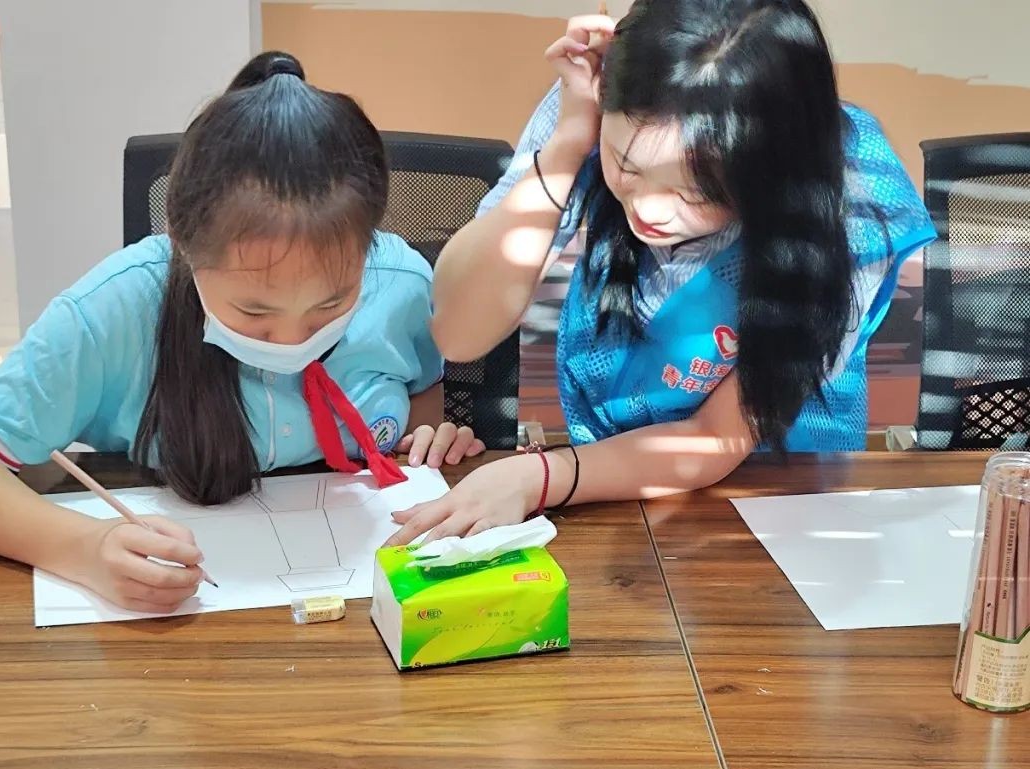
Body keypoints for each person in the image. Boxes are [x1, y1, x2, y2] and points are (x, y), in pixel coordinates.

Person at [387, 0, 935, 545]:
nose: (649, 210)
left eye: (698, 193)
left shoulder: (854, 199)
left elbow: (714, 438)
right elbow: (459, 333)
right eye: (626, 164)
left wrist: (541, 476)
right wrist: (568, 143)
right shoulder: (594, 101)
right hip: (612, 474)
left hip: (784, 490)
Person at [0, 52, 483, 612]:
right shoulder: (115, 307)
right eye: (254, 312)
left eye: (330, 305)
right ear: (184, 245)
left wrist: (426, 437)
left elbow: (420, 387)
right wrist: (81, 548)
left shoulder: (399, 285)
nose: (292, 340)